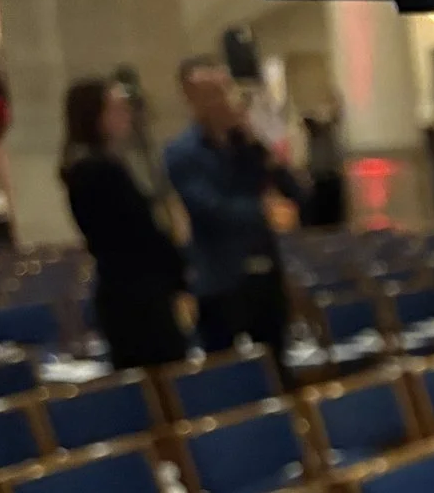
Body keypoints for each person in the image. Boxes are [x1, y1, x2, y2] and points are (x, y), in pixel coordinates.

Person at [163, 56, 304, 359]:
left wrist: (260, 147)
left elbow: (294, 192)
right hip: (220, 279)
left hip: (264, 273)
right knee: (225, 367)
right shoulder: (182, 153)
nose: (223, 101)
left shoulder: (247, 145)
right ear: (192, 98)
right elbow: (210, 208)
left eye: (225, 90)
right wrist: (263, 211)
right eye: (212, 94)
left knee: (278, 363)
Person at [60, 78, 190, 369]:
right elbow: (137, 234)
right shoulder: (94, 170)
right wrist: (179, 270)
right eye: (116, 108)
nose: (126, 116)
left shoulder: (100, 164)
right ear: (95, 116)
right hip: (134, 297)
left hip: (134, 290)